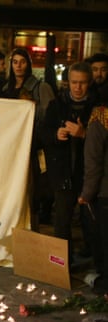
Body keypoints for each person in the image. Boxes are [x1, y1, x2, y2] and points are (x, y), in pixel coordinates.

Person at [44, 61, 98, 260]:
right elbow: (42, 134)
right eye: (74, 82)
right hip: (62, 172)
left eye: (82, 83)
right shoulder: (57, 105)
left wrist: (85, 134)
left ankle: (95, 261)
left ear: (89, 83)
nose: (78, 87)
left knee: (91, 221)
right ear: (68, 82)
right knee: (62, 222)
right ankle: (61, 263)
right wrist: (55, 134)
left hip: (89, 174)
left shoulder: (99, 106)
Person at [3, 48, 56, 232]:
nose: (18, 66)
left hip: (32, 148)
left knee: (32, 194)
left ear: (29, 64)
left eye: (22, 62)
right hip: (10, 149)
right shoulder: (5, 89)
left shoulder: (41, 88)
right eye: (15, 62)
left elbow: (50, 117)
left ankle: (31, 233)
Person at [79, 104, 108, 295]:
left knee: (103, 240)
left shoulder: (100, 118)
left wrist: (86, 194)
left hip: (105, 193)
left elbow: (94, 160)